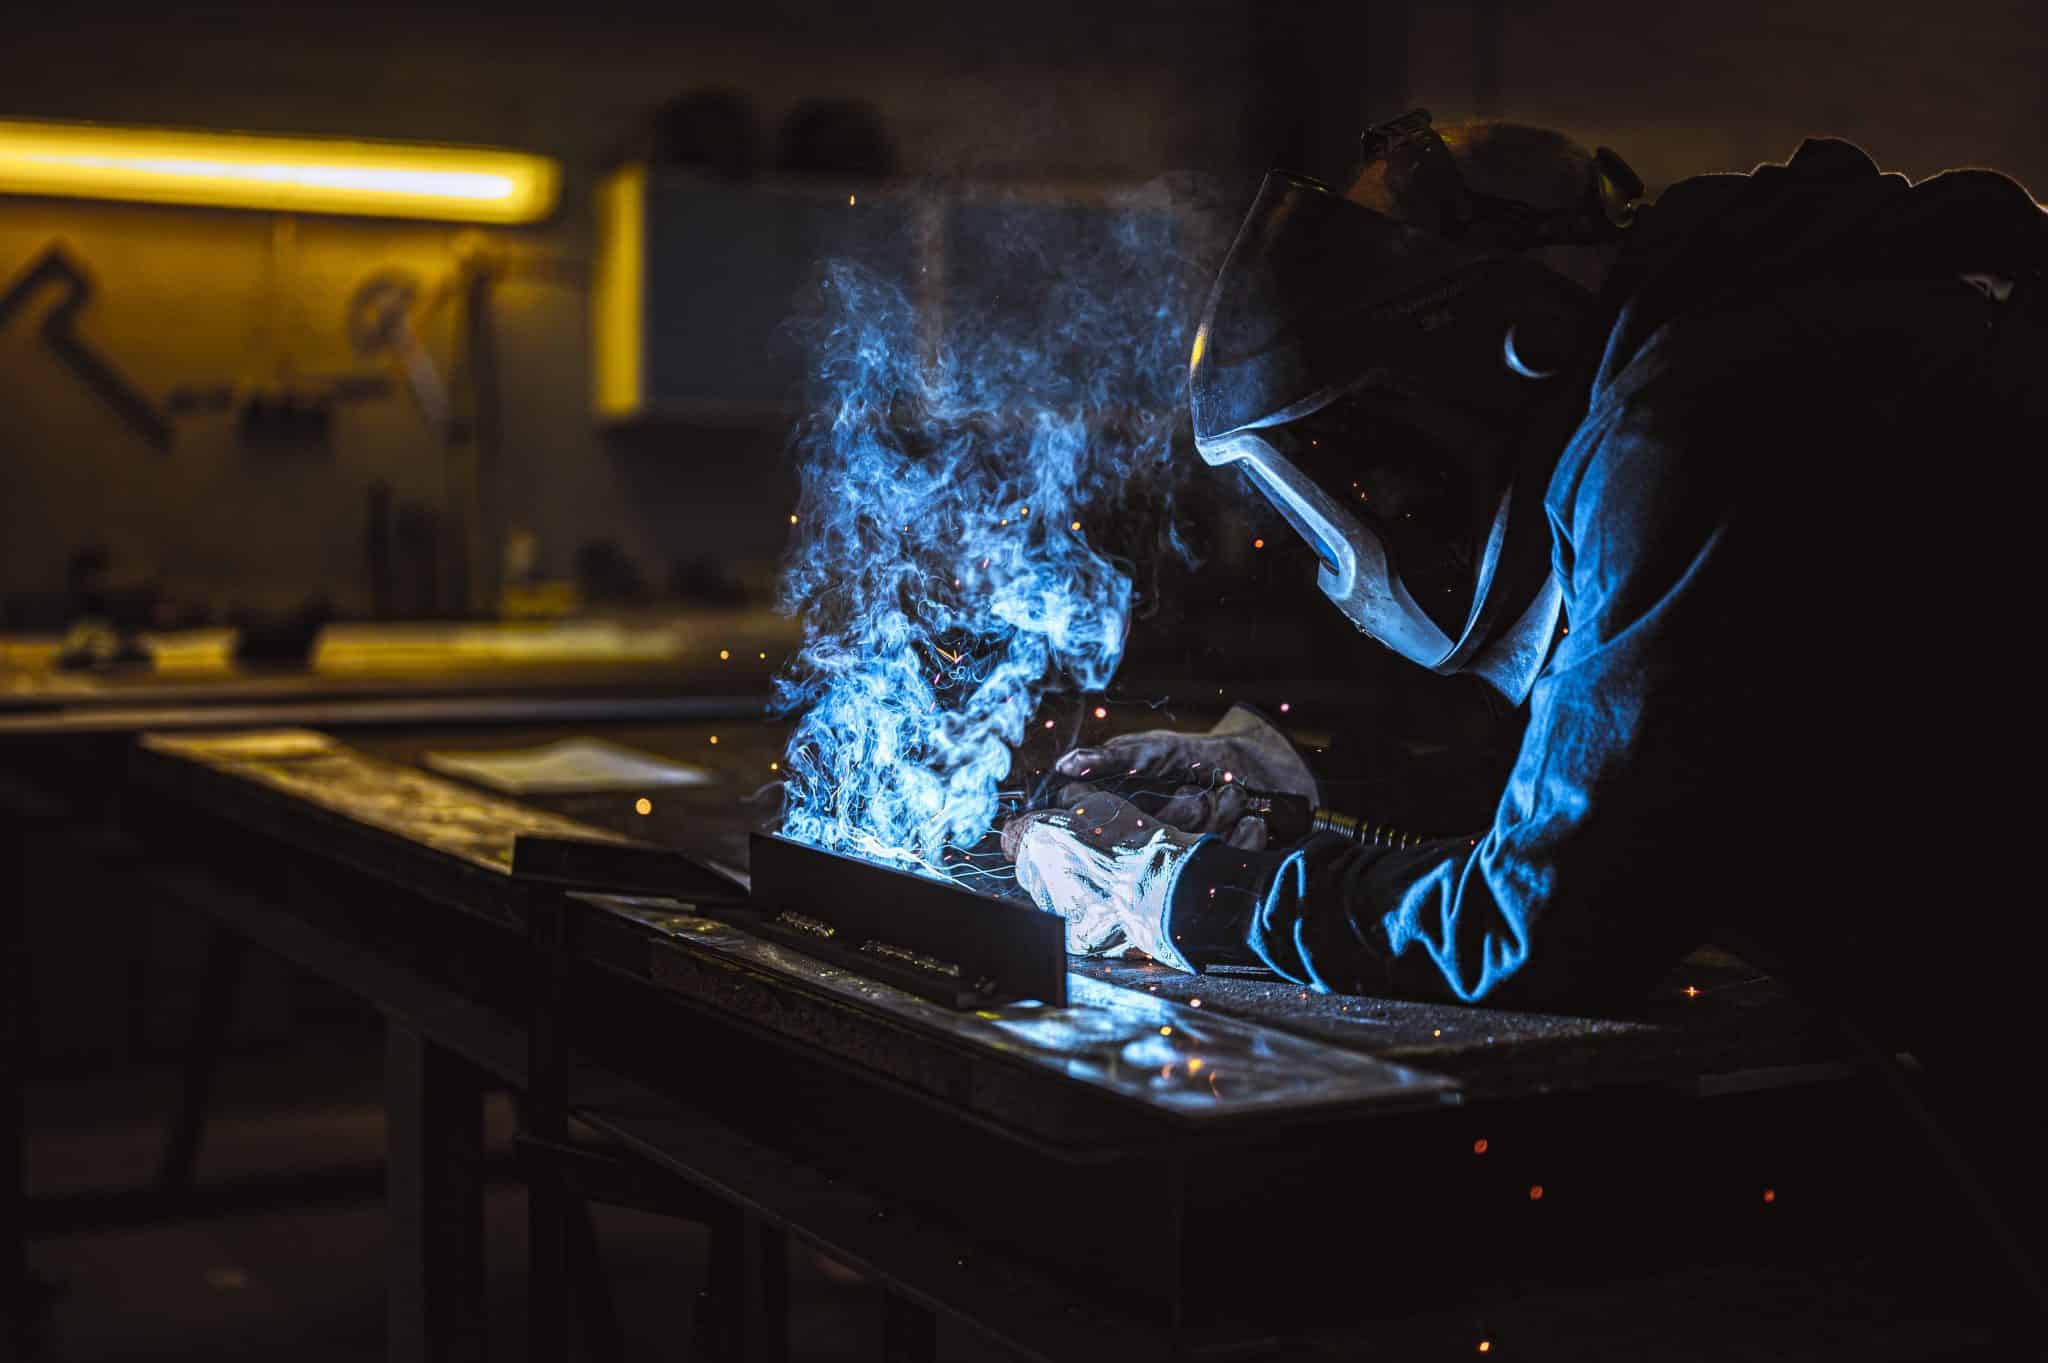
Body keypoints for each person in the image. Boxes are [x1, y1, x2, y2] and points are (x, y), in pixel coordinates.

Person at [1004, 110, 2042, 1034]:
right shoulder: (1771, 315)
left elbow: (1544, 924)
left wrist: (1188, 895)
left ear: (1512, 344)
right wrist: (1304, 783)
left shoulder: (1683, 424)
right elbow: (1636, 780)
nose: (1390, 501)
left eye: (1381, 456)